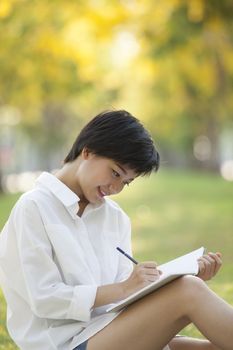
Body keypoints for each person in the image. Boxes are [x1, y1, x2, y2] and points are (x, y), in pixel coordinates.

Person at [0, 109, 232, 350]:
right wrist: (123, 288)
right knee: (188, 291)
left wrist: (169, 284)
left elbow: (124, 299)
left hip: (108, 332)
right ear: (87, 151)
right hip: (63, 343)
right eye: (115, 173)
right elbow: (44, 299)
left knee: (214, 343)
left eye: (126, 182)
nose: (116, 188)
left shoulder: (115, 218)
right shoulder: (34, 207)